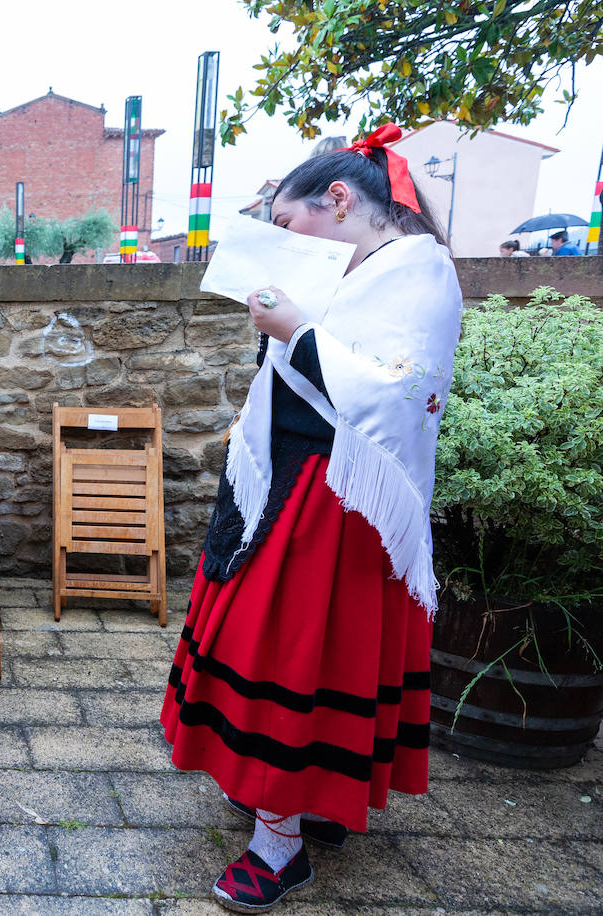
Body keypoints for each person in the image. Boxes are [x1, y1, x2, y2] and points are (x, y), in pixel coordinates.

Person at [159, 124, 463, 912]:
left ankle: (280, 846)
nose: (289, 241)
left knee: (290, 660)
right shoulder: (376, 261)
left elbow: (397, 393)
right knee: (288, 653)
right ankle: (306, 798)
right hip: (294, 482)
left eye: (293, 224)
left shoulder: (418, 271)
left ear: (340, 200)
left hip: (338, 502)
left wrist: (295, 328)